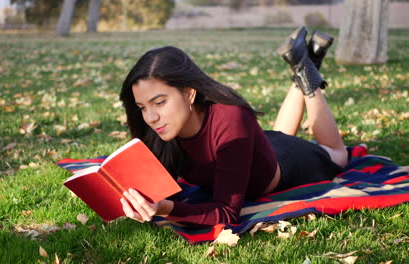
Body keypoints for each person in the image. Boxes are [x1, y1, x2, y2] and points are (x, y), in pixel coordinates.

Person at [118, 26, 348, 227]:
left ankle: (308, 72)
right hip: (261, 147)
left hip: (289, 163)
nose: (151, 117)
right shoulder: (161, 126)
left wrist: (166, 209)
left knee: (338, 154)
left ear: (188, 93)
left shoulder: (230, 118)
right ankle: (305, 64)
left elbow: (227, 213)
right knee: (281, 133)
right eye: (142, 107)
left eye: (159, 102)